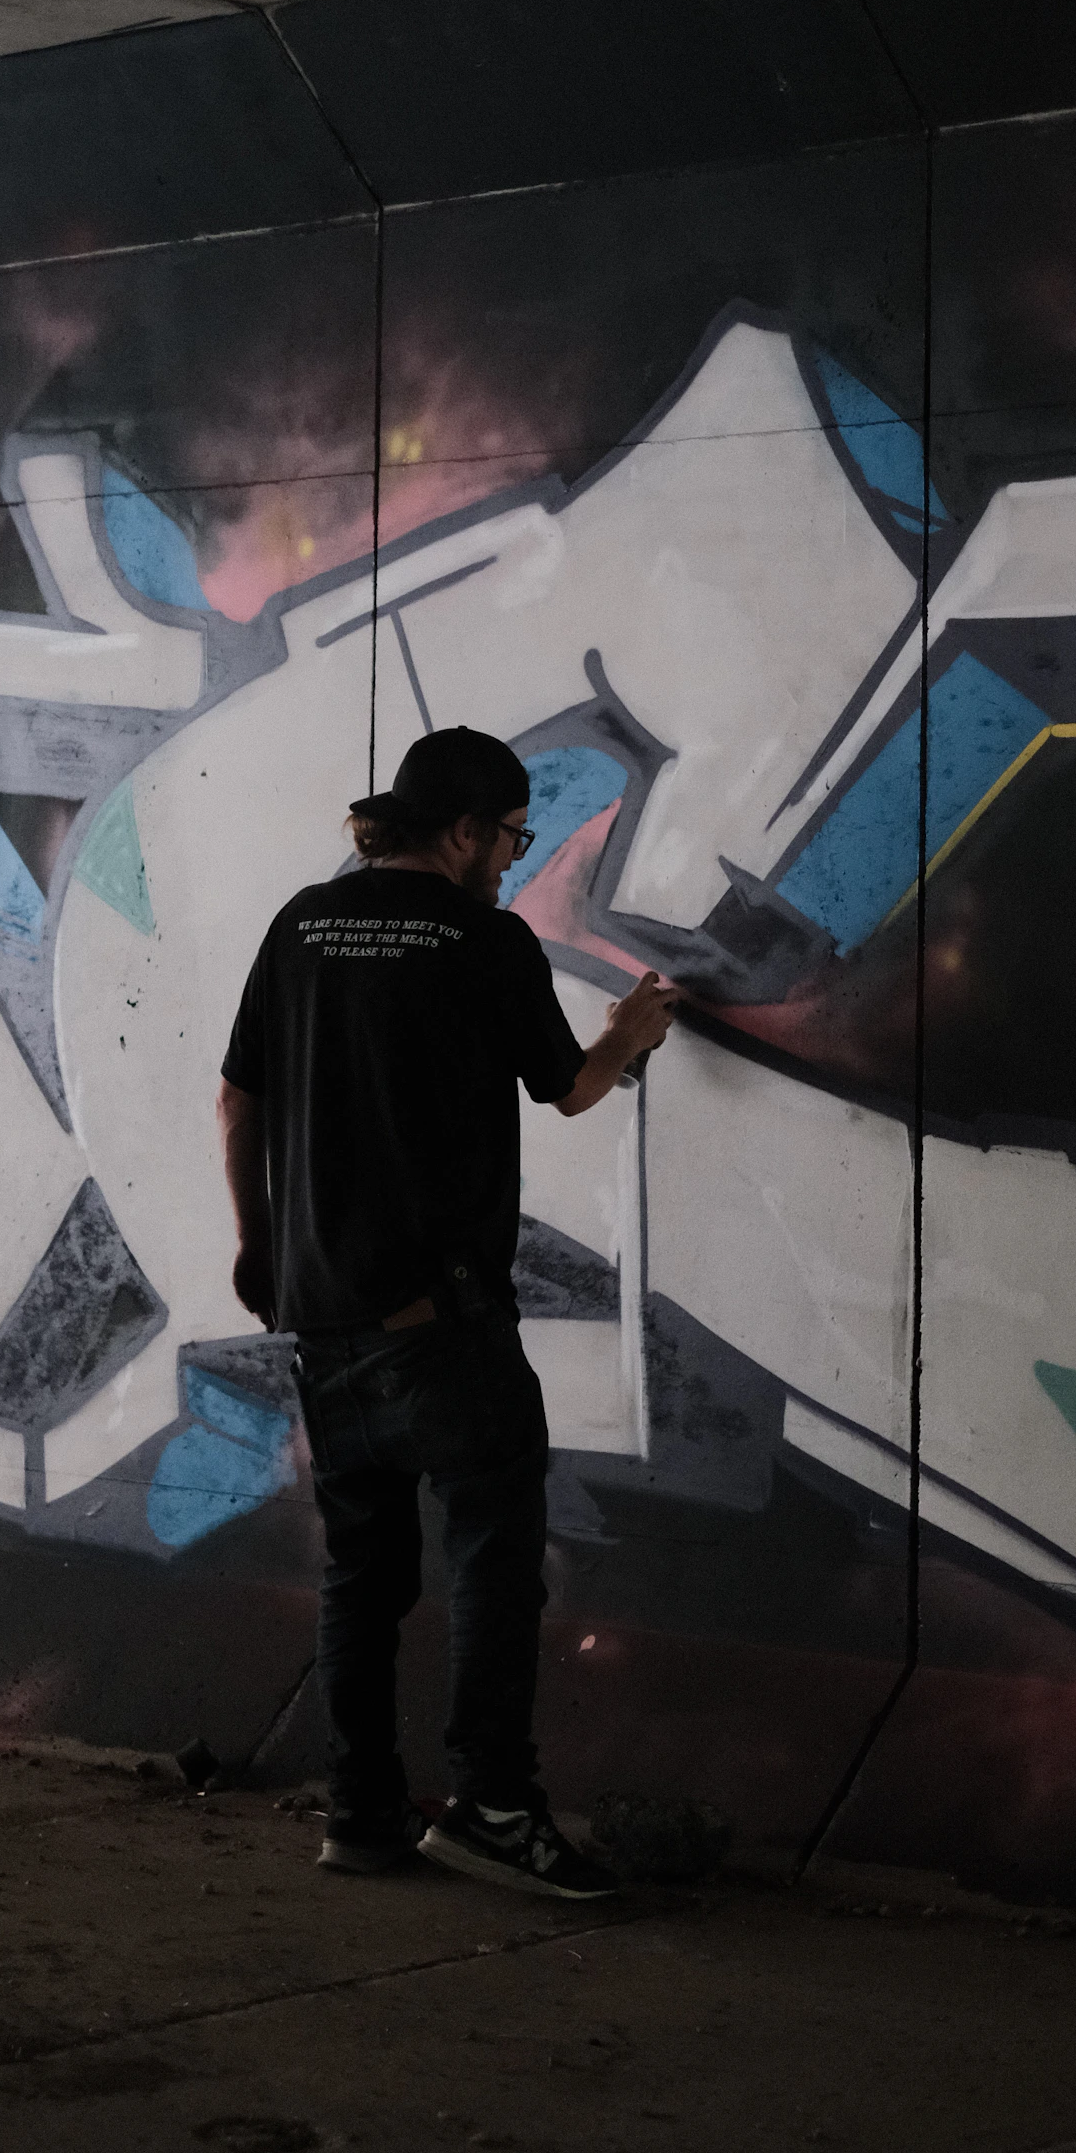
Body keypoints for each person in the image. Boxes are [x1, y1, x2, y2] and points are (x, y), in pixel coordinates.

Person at [216, 725, 675, 1896]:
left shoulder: (302, 923)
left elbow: (237, 1099)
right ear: (466, 829)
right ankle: (495, 1806)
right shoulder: (484, 940)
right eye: (512, 836)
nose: (514, 860)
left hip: (323, 1318)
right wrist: (631, 1032)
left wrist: (260, 1247)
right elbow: (568, 1089)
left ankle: (362, 1813)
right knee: (491, 1557)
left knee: (361, 1574)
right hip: (445, 1324)